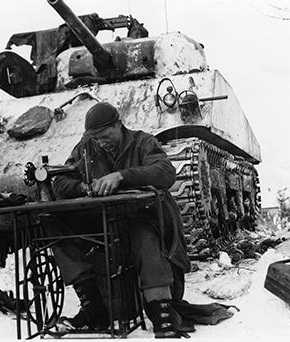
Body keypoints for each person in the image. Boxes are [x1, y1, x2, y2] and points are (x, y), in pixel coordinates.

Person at [51, 102, 191, 338]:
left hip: (144, 217)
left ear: (119, 124)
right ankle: (94, 308)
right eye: (95, 138)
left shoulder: (143, 142)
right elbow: (60, 181)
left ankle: (161, 312)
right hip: (105, 219)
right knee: (56, 229)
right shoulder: (87, 147)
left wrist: (122, 176)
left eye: (105, 136)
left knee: (143, 236)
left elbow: (166, 172)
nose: (100, 143)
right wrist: (82, 187)